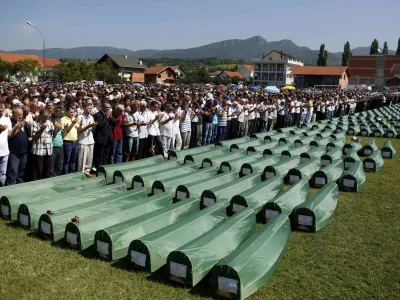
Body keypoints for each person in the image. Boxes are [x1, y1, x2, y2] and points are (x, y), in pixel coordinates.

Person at [31, 109, 57, 180]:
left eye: (47, 117)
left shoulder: (50, 123)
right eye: (44, 117)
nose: (46, 119)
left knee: (48, 170)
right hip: (38, 150)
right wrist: (41, 129)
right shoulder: (35, 123)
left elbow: (53, 135)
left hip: (48, 150)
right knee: (37, 171)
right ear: (40, 115)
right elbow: (34, 137)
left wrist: (57, 129)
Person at [6, 107, 28, 185]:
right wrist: (17, 128)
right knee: (13, 173)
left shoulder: (23, 123)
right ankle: (10, 191)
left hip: (24, 152)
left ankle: (20, 189)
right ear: (13, 114)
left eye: (21, 114)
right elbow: (9, 136)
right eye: (18, 115)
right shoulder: (10, 123)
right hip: (14, 152)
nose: (20, 116)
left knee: (21, 173)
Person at [93, 101, 116, 168]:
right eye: (106, 107)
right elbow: (100, 125)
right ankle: (98, 169)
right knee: (99, 156)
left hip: (108, 138)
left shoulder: (109, 115)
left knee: (106, 155)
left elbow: (115, 123)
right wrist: (106, 117)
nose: (108, 109)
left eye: (109, 107)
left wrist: (110, 117)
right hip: (101, 139)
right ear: (102, 107)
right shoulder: (98, 115)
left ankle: (105, 168)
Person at [77, 103, 96, 176]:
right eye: (89, 108)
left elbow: (92, 128)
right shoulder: (80, 117)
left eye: (91, 108)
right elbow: (79, 131)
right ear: (84, 108)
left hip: (90, 140)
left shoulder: (91, 117)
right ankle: (80, 173)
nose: (90, 109)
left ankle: (87, 172)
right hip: (82, 140)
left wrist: (93, 126)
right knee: (82, 159)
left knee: (89, 159)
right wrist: (88, 126)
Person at [60, 106, 79, 174]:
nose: (72, 114)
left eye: (73, 112)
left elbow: (78, 129)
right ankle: (65, 175)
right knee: (66, 161)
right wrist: (73, 123)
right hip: (67, 143)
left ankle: (72, 174)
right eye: (71, 112)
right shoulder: (63, 119)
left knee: (73, 160)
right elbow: (65, 131)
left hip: (75, 142)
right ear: (66, 112)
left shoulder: (74, 119)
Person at [0, 103, 12, 186]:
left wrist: (17, 128)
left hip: (4, 151)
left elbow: (10, 133)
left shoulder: (7, 119)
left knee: (3, 173)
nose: (0, 111)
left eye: (2, 109)